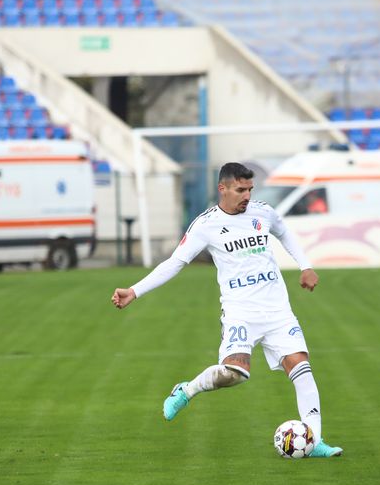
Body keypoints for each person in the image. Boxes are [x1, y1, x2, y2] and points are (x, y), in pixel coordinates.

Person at [110, 162, 342, 457]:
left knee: (302, 369)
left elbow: (285, 233)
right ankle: (187, 390)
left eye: (250, 189)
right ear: (223, 189)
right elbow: (175, 262)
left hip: (278, 311)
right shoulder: (205, 225)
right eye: (240, 190)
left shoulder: (262, 212)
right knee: (234, 374)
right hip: (240, 312)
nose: (247, 196)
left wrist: (305, 266)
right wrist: (134, 290)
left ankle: (314, 440)